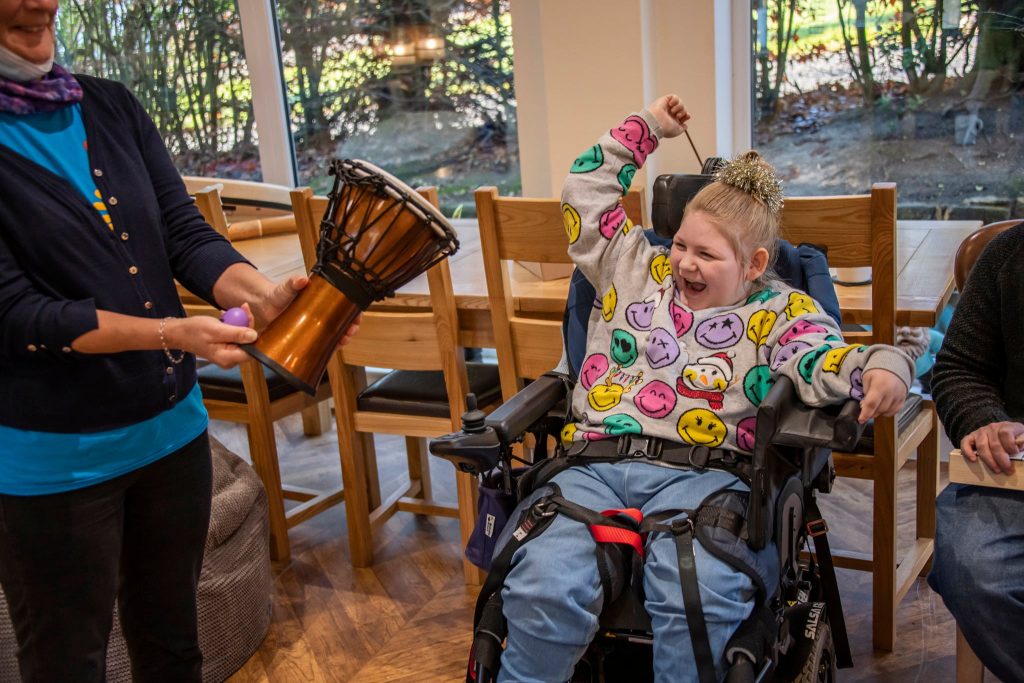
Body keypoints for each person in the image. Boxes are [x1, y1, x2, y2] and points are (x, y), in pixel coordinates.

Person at [494, 94, 913, 682]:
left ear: (752, 262)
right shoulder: (635, 267)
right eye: (682, 245)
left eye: (707, 255)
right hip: (592, 465)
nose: (684, 263)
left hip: (706, 478)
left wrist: (879, 365)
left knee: (697, 595)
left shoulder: (781, 310)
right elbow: (583, 194)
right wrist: (646, 129)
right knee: (541, 585)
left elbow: (824, 357)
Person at [0, 1, 358, 681]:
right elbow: (19, 315)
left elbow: (183, 233)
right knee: (64, 665)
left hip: (172, 443)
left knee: (173, 651)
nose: (36, 3)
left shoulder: (109, 106)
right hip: (56, 468)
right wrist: (170, 334)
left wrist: (265, 296)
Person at [928, 223, 1024, 683]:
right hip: (1013, 470)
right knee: (972, 570)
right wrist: (985, 419)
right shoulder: (1008, 254)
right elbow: (959, 366)